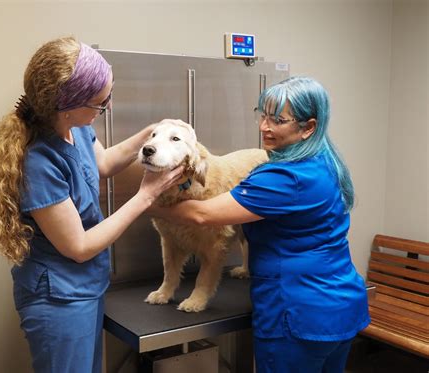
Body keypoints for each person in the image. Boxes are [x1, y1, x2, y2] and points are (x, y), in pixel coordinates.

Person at [0, 36, 183, 373]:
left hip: (85, 288)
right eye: (101, 103)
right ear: (67, 105)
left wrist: (152, 132)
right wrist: (145, 196)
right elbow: (79, 246)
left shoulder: (76, 128)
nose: (108, 108)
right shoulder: (39, 161)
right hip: (59, 298)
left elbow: (101, 163)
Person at [149, 76, 370, 373]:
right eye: (263, 115)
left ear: (309, 127)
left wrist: (148, 202)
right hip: (340, 304)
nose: (265, 126)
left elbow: (203, 215)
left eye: (278, 120)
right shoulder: (325, 162)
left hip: (299, 314)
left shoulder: (283, 178)